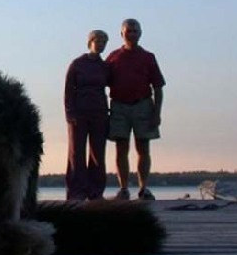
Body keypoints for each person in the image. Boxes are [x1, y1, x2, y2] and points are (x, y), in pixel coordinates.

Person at [106, 19, 165, 201]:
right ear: (122, 33)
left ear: (140, 33)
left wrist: (157, 113)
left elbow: (158, 87)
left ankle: (143, 188)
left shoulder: (148, 57)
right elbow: (101, 83)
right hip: (119, 106)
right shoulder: (113, 57)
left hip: (143, 105)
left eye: (135, 31)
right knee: (121, 148)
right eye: (128, 31)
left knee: (143, 148)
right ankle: (123, 188)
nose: (132, 34)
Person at [63, 29, 111, 200]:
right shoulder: (77, 64)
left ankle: (96, 191)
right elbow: (68, 90)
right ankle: (76, 191)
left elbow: (115, 88)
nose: (101, 45)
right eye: (98, 41)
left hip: (99, 113)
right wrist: (70, 113)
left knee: (98, 153)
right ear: (90, 42)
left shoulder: (105, 66)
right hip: (79, 113)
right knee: (76, 152)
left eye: (104, 42)